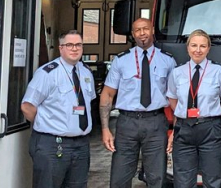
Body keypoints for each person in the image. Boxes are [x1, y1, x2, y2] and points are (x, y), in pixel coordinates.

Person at [100, 18, 176, 188]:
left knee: (157, 177)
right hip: (127, 123)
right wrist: (105, 129)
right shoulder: (121, 60)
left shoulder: (168, 61)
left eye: (145, 29)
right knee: (120, 177)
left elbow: (175, 98)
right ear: (133, 34)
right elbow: (107, 94)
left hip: (156, 122)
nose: (142, 33)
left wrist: (175, 130)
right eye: (137, 30)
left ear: (153, 30)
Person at [21, 29, 96, 188]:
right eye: (69, 45)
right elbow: (27, 106)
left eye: (78, 45)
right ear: (61, 48)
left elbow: (89, 103)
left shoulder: (86, 72)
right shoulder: (47, 73)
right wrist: (47, 123)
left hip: (81, 145)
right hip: (52, 145)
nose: (74, 49)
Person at [166, 29, 221, 188]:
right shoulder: (177, 72)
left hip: (210, 129)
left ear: (208, 48)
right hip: (184, 129)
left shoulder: (219, 71)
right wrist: (184, 116)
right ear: (188, 47)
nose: (198, 50)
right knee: (183, 181)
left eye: (202, 46)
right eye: (194, 45)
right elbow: (173, 101)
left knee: (214, 179)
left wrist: (210, 116)